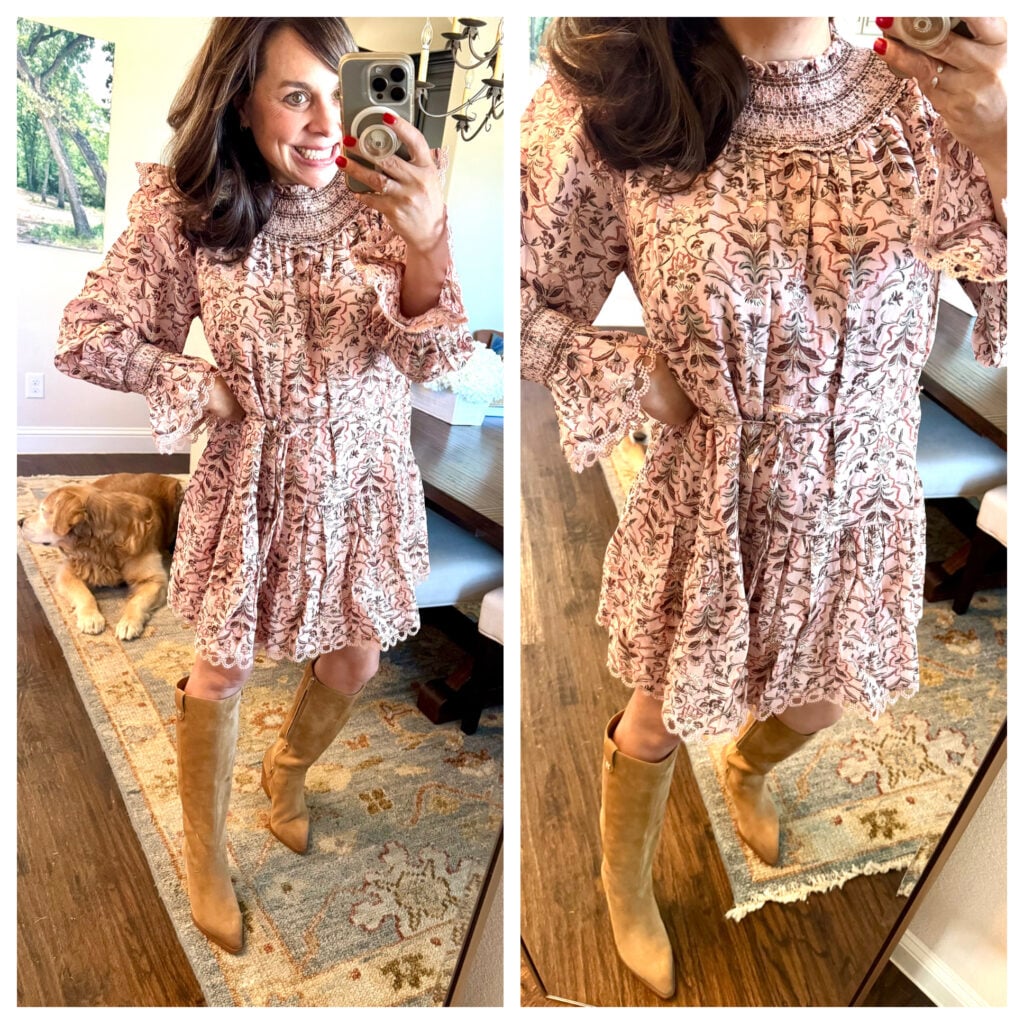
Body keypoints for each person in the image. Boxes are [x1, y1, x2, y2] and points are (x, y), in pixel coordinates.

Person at [521, 16, 1005, 998]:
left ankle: (747, 768)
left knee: (821, 698)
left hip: (862, 496)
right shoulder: (609, 97)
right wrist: (643, 376)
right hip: (711, 506)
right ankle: (623, 883)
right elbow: (523, 303)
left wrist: (999, 132)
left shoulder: (927, 99)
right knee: (656, 718)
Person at [56, 17, 475, 955]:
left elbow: (437, 359)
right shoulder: (190, 208)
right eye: (295, 97)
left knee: (356, 662)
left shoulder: (389, 197)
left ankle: (285, 773)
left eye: (339, 92)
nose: (328, 124)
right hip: (252, 485)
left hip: (366, 483)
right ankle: (205, 854)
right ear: (241, 104)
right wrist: (199, 384)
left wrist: (427, 241)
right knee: (223, 669)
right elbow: (87, 333)